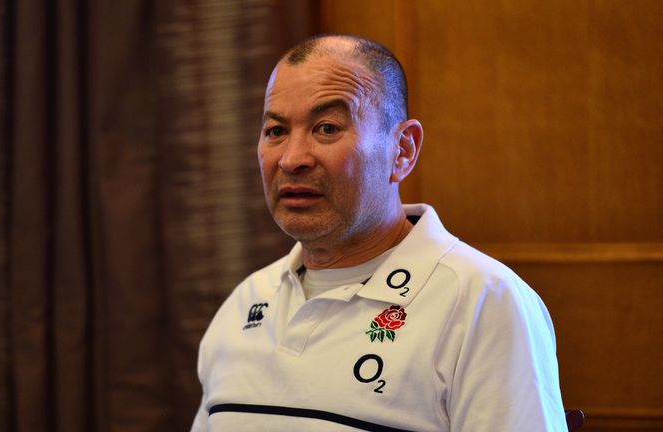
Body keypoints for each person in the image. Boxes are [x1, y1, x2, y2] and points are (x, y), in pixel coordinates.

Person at [191, 34, 567, 431]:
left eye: (327, 128)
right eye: (275, 131)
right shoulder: (246, 302)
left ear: (402, 149)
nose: (291, 159)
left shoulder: (481, 300)